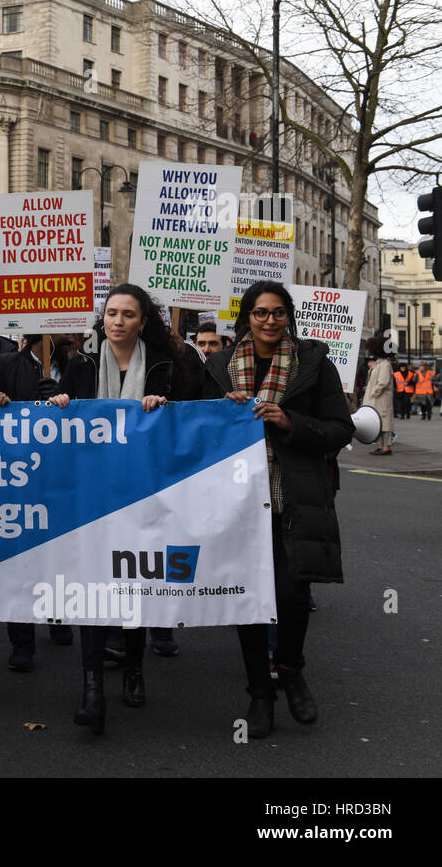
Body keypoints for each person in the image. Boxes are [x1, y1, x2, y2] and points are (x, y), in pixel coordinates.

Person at [201, 280, 352, 737]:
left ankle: (289, 669)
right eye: (261, 313)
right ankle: (259, 693)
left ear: (289, 316)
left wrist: (290, 422)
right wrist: (218, 413)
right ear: (246, 317)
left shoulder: (313, 363)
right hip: (238, 502)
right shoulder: (219, 366)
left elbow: (338, 429)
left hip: (293, 498)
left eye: (279, 312)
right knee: (248, 601)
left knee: (291, 596)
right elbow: (194, 428)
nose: (270, 321)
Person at [49, 283, 197, 734]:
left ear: (142, 321)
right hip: (93, 494)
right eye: (111, 313)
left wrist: (164, 408)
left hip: (145, 490)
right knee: (94, 584)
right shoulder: (82, 364)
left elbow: (193, 416)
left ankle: (133, 667)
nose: (118, 321)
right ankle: (92, 684)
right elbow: (64, 416)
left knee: (130, 583)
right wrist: (58, 404)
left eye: (128, 314)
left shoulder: (168, 366)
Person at [0, 334, 72, 668]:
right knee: (19, 554)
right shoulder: (5, 364)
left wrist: (70, 400)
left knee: (60, 548)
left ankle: (57, 613)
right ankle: (20, 637)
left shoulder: (78, 364)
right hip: (19, 474)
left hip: (62, 470)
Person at [364, 338, 395, 455]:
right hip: (377, 399)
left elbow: (383, 381)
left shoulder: (385, 364)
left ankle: (386, 447)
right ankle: (381, 446)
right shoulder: (379, 363)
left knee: (385, 423)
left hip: (381, 399)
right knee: (379, 424)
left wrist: (374, 393)